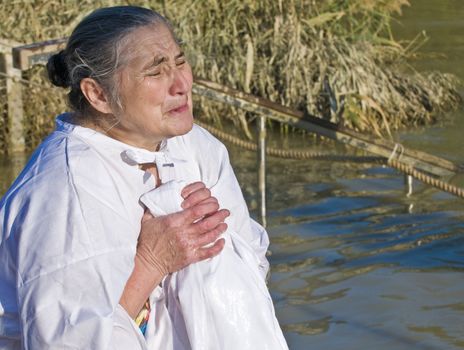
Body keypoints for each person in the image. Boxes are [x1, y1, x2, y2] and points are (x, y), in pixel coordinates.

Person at [0, 5, 287, 350]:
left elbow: (252, 257)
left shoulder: (192, 145)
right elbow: (67, 344)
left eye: (180, 62)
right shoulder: (65, 192)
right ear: (99, 94)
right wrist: (151, 263)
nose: (182, 84)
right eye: (156, 72)